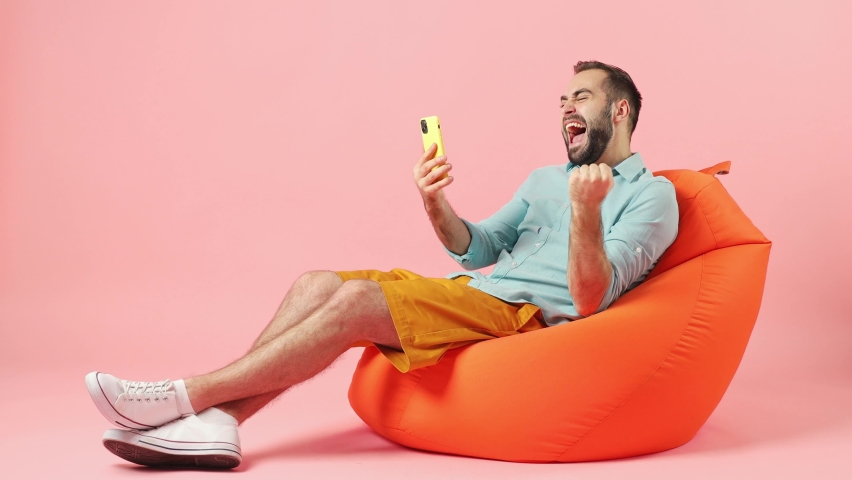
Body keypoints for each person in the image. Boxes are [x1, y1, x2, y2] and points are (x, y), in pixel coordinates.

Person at [85, 60, 679, 469]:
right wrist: (433, 201)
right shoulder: (545, 179)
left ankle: (184, 396)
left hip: (520, 315)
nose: (565, 108)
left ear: (620, 109)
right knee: (315, 282)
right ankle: (219, 424)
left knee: (355, 304)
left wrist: (585, 213)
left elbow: (589, 300)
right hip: (474, 290)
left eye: (581, 96)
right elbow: (476, 248)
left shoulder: (652, 195)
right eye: (561, 100)